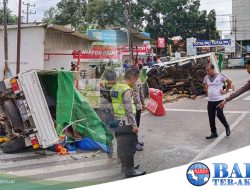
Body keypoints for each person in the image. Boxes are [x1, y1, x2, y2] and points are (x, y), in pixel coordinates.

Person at [110, 68, 146, 178]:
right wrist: (134, 125)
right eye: (136, 79)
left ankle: (124, 167)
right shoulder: (126, 89)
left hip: (116, 121)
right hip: (126, 122)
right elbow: (128, 109)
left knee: (121, 146)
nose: (135, 82)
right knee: (129, 147)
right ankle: (129, 171)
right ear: (133, 78)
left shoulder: (115, 87)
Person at [203, 64, 232, 139]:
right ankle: (214, 132)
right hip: (210, 101)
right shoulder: (206, 77)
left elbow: (229, 82)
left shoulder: (220, 76)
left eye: (208, 70)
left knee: (219, 114)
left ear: (213, 69)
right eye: (206, 70)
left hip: (219, 100)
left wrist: (226, 90)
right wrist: (206, 90)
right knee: (211, 117)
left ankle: (226, 126)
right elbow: (204, 84)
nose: (207, 72)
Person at [132, 67, 145, 151]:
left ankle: (136, 140)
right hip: (132, 107)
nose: (138, 76)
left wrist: (143, 103)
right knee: (133, 125)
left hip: (138, 106)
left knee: (137, 125)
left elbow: (141, 92)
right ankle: (134, 143)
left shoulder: (139, 80)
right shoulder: (129, 82)